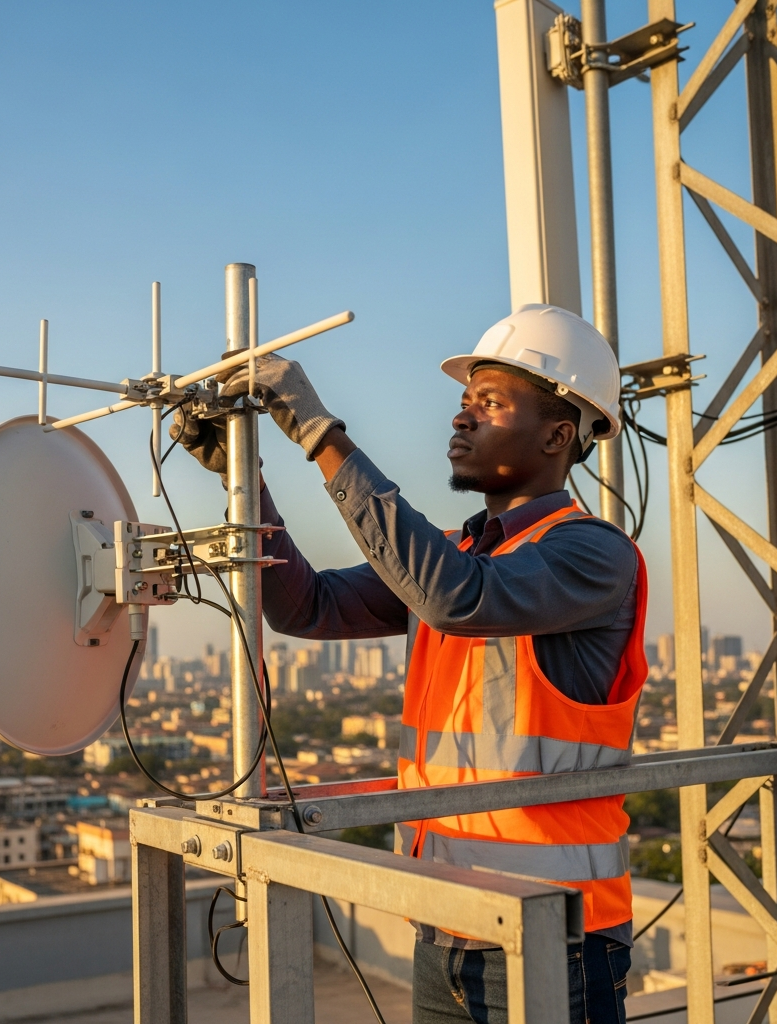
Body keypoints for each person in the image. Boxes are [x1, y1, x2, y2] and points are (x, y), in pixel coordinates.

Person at [172, 303, 647, 1024]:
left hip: (558, 933)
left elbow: (458, 599)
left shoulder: (594, 553)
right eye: (464, 402)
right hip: (446, 921)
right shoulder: (460, 555)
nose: (462, 418)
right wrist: (245, 483)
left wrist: (320, 433)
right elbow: (306, 607)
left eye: (490, 402)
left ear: (558, 434)